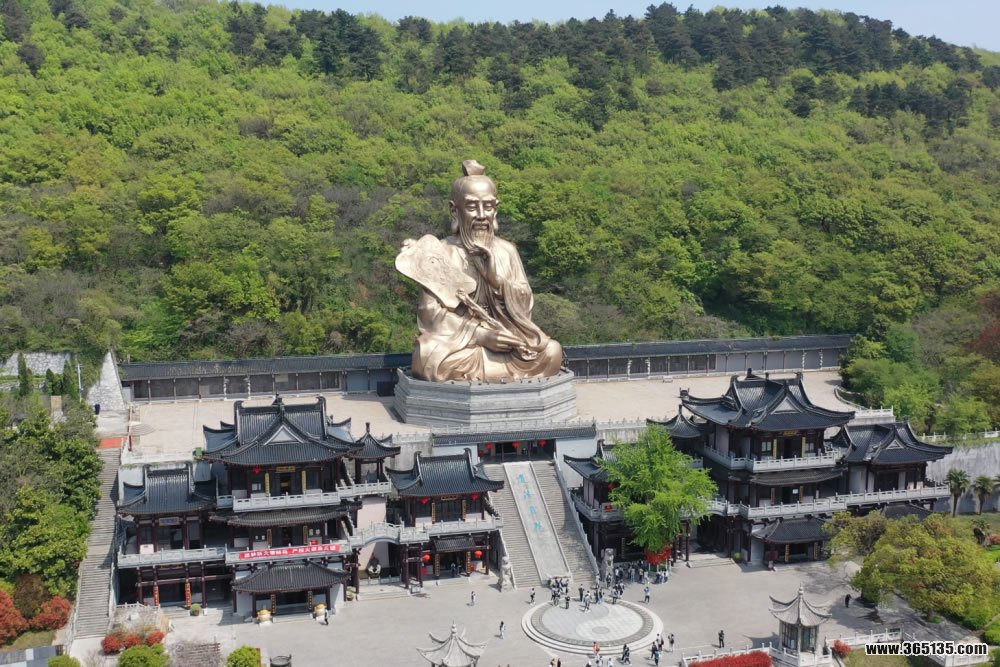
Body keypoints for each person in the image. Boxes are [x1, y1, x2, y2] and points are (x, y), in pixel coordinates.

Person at [400, 160, 564, 382]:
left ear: (496, 209)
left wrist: (497, 282)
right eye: (471, 207)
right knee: (425, 358)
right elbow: (430, 314)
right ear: (454, 210)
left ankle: (491, 373)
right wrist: (480, 335)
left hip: (505, 339)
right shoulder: (440, 252)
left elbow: (525, 307)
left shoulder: (507, 251)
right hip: (462, 345)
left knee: (552, 352)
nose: (480, 215)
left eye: (487, 206)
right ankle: (501, 375)